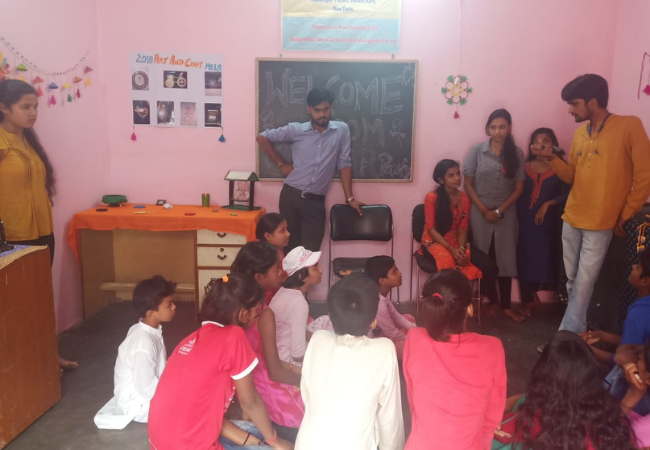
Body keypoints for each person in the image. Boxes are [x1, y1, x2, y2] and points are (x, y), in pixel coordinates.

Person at [538, 74, 650, 333]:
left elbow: (645, 176)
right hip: (572, 216)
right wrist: (552, 159)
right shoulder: (580, 133)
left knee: (584, 283)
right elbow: (571, 176)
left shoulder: (629, 126)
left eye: (574, 103)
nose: (570, 110)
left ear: (592, 101)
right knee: (572, 281)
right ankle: (577, 333)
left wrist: (626, 213)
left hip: (601, 222)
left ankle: (565, 337)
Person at [148, 273, 293, 450]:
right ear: (243, 314)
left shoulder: (190, 339)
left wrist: (252, 441)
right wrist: (274, 442)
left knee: (261, 432)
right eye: (256, 312)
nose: (257, 316)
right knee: (277, 439)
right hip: (190, 445)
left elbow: (207, 414)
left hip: (161, 442)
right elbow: (250, 402)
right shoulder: (234, 336)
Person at [0, 79, 77, 371]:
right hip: (12, 239)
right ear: (3, 108)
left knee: (40, 301)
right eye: (25, 107)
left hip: (42, 233)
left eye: (35, 107)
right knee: (16, 306)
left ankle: (46, 357)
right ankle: (25, 369)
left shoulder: (28, 140)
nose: (33, 113)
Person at [295, 275, 404, 450]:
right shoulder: (384, 350)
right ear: (374, 321)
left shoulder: (318, 339)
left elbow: (308, 395)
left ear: (330, 316)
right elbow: (390, 419)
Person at [404, 270, 506, 450]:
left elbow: (414, 403)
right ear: (470, 309)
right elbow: (492, 415)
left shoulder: (414, 338)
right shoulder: (492, 347)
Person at [257, 87, 364, 252]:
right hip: (291, 197)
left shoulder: (341, 130)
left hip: (315, 203)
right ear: (309, 109)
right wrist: (281, 164)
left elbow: (344, 163)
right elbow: (262, 137)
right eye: (317, 110)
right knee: (291, 251)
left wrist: (350, 199)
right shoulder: (296, 130)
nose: (322, 114)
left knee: (310, 254)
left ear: (331, 107)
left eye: (325, 109)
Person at [494, 331, 636, 450]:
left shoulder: (535, 417)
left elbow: (499, 432)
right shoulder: (608, 414)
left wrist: (492, 417)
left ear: (543, 370)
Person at [231, 241, 305, 437]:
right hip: (264, 389)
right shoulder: (263, 314)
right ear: (259, 277)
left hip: (244, 384)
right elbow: (275, 372)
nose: (281, 273)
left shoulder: (233, 305)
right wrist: (308, 380)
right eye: (275, 269)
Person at [464, 109, 526, 322]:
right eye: (493, 127)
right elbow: (468, 184)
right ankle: (491, 301)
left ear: (509, 128)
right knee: (484, 257)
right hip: (479, 212)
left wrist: (499, 211)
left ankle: (506, 306)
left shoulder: (516, 154)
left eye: (502, 127)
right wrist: (483, 210)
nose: (498, 131)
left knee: (505, 257)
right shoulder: (477, 151)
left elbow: (518, 188)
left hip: (505, 214)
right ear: (487, 129)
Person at [94, 276, 176, 429]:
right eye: (169, 304)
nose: (174, 307)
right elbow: (147, 390)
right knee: (192, 403)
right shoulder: (142, 343)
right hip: (138, 405)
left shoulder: (147, 330)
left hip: (149, 393)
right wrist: (176, 393)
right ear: (151, 313)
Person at [516, 128, 569, 316]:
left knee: (545, 257)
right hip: (523, 220)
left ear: (553, 144)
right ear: (531, 145)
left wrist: (549, 203)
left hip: (547, 223)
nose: (541, 144)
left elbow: (572, 191)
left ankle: (552, 299)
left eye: (545, 140)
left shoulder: (560, 167)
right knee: (522, 257)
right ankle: (527, 300)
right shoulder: (524, 167)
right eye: (537, 140)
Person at [422, 159, 483, 280]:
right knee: (448, 263)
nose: (457, 178)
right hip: (433, 241)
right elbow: (431, 229)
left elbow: (463, 227)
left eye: (458, 173)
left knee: (488, 266)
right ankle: (447, 292)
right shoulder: (431, 197)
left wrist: (461, 249)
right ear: (441, 180)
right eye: (451, 175)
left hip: (456, 241)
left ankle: (470, 292)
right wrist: (451, 249)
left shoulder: (464, 198)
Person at [269, 246, 322, 365]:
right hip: (288, 362)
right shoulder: (298, 303)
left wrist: (319, 340)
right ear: (301, 276)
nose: (321, 269)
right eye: (315, 268)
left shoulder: (284, 291)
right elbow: (298, 355)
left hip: (277, 354)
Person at [364, 255, 415, 359]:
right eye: (394, 272)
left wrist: (415, 329)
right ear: (382, 280)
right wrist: (413, 339)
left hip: (381, 332)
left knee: (409, 318)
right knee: (413, 346)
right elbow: (392, 333)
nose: (400, 273)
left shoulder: (381, 295)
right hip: (372, 344)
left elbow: (396, 316)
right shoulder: (378, 303)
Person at [620, 340, 650, 448]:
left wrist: (632, 395)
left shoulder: (641, 429)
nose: (636, 361)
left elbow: (604, 437)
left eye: (640, 359)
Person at [255, 213, 290, 305]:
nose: (288, 234)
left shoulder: (277, 252)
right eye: (282, 231)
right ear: (268, 236)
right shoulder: (260, 255)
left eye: (286, 230)